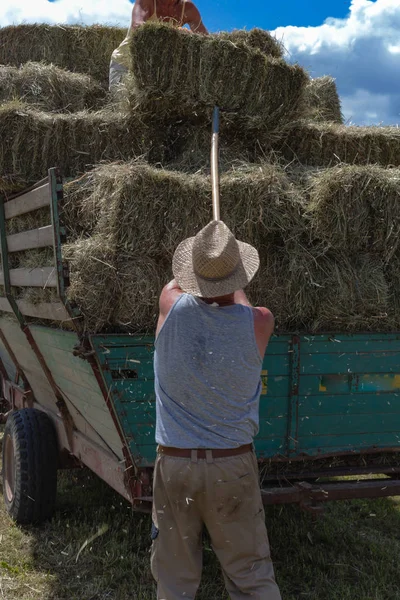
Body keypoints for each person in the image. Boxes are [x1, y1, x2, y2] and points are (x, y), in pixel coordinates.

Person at [152, 220, 282, 600]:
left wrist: (210, 272)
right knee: (250, 574)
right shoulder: (260, 321)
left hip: (175, 464)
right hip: (232, 466)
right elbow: (241, 302)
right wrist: (228, 277)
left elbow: (178, 286)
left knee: (174, 578)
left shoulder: (169, 306)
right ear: (239, 276)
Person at [109, 0, 208, 90]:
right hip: (126, 63)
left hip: (153, 71)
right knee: (122, 103)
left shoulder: (188, 9)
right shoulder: (147, 2)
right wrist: (177, 32)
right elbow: (138, 26)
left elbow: (205, 40)